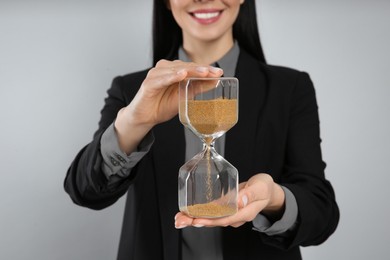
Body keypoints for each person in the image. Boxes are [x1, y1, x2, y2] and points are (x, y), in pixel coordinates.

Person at [64, 0, 340, 259]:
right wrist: (134, 122)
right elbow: (84, 190)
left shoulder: (289, 87)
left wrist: (273, 199)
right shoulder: (132, 90)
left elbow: (322, 213)